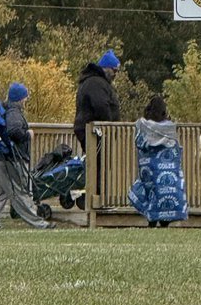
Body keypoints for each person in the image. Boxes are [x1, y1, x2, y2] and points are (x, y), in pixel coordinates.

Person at [0, 82, 54, 231]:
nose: (26, 100)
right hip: (11, 160)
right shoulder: (14, 113)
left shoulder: (4, 111)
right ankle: (39, 223)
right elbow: (14, 131)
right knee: (20, 192)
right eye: (25, 97)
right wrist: (27, 134)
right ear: (20, 98)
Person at [128, 96, 188, 227]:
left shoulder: (143, 126)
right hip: (167, 170)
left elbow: (140, 143)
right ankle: (165, 221)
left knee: (150, 190)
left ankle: (152, 220)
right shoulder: (170, 128)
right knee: (164, 191)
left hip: (149, 169)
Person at [74, 49, 122, 152]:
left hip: (95, 132)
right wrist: (109, 127)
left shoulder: (93, 81)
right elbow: (101, 106)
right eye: (114, 71)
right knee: (99, 160)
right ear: (106, 68)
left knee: (97, 160)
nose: (115, 74)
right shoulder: (96, 83)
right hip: (96, 133)